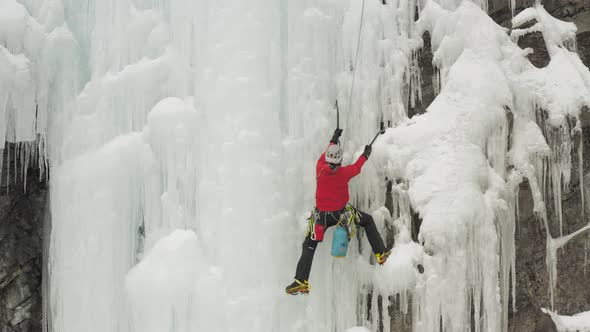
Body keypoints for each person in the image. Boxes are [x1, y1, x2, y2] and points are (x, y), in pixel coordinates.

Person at [285, 128, 391, 295]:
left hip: (321, 216)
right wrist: (366, 154)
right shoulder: (344, 173)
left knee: (309, 244)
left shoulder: (319, 167)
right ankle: (381, 253)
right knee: (367, 220)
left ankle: (301, 280)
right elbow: (357, 167)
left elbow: (327, 151)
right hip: (342, 214)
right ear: (340, 161)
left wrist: (334, 138)